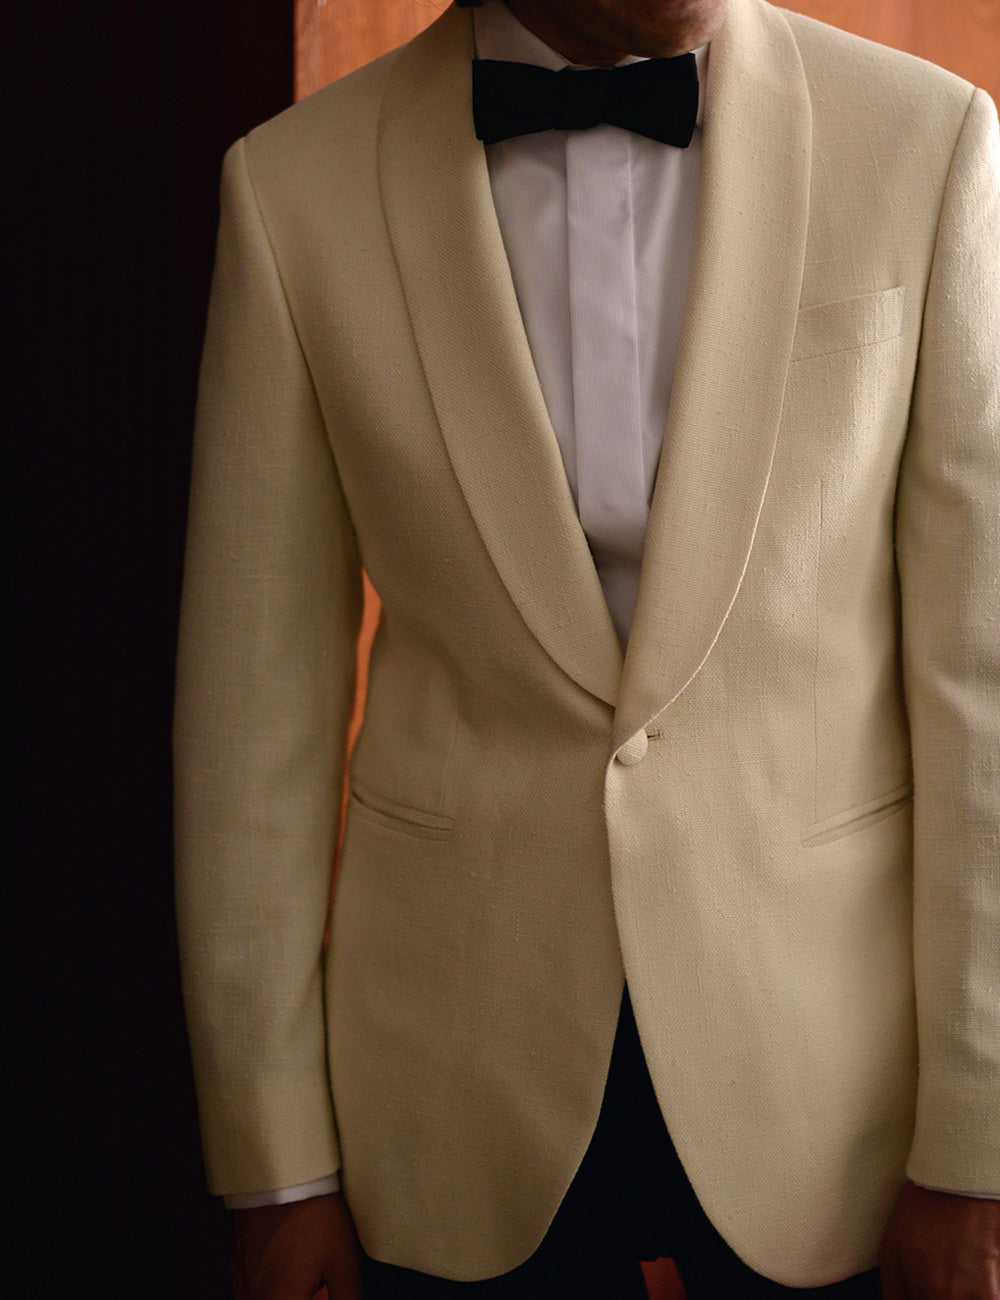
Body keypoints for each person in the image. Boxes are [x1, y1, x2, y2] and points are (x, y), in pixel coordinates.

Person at [173, 0, 1000, 1296]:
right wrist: (277, 1169)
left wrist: (980, 1145)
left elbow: (983, 685)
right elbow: (247, 720)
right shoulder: (292, 191)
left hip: (831, 1096)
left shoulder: (927, 140)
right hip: (452, 1098)